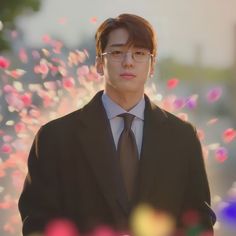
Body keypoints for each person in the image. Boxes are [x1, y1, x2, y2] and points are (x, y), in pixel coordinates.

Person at [18, 13, 216, 236]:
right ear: (100, 64)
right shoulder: (55, 137)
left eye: (139, 53)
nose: (128, 61)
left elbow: (198, 220)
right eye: (117, 52)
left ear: (151, 65)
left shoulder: (182, 137)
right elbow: (38, 220)